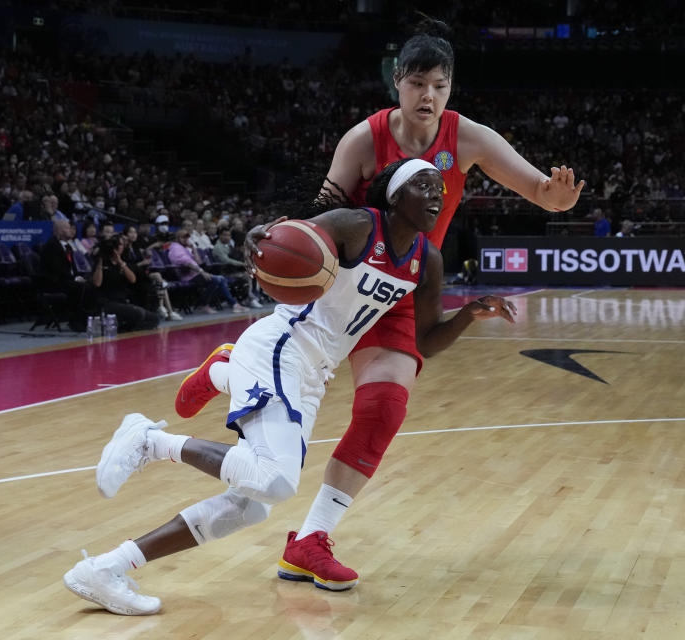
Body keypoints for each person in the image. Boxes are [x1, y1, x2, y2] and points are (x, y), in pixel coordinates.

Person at [63, 159, 516, 614]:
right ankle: (150, 440)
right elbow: (283, 238)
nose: (436, 192)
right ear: (395, 196)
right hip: (282, 346)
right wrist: (256, 234)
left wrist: (467, 315)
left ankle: (106, 569)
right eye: (423, 183)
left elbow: (425, 341)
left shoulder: (427, 258)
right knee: (275, 481)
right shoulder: (358, 225)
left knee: (252, 506)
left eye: (440, 185)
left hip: (315, 374)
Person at [243, 18, 583, 589]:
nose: (429, 95)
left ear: (450, 90)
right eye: (418, 82)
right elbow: (320, 213)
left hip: (401, 286)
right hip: (346, 282)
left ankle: (310, 539)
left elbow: (538, 190)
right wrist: (277, 236)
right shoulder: (362, 139)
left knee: (385, 407)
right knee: (286, 403)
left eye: (440, 86)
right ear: (397, 82)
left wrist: (558, 197)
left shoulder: (469, 137)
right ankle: (227, 365)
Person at [91, 234, 161, 333]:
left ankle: (123, 330)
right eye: (119, 244)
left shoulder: (123, 263)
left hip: (122, 301)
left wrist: (120, 262)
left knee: (154, 319)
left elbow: (132, 279)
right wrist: (100, 262)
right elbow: (97, 283)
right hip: (107, 302)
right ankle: (121, 329)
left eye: (122, 245)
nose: (121, 247)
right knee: (139, 314)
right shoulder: (102, 262)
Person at [166, 229, 246, 314]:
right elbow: (187, 263)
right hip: (186, 276)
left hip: (195, 274)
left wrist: (193, 248)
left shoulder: (185, 248)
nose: (186, 239)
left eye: (187, 237)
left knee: (220, 279)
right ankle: (205, 304)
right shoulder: (176, 248)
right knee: (217, 280)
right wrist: (202, 272)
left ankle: (232, 304)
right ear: (178, 238)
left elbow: (198, 262)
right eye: (183, 237)